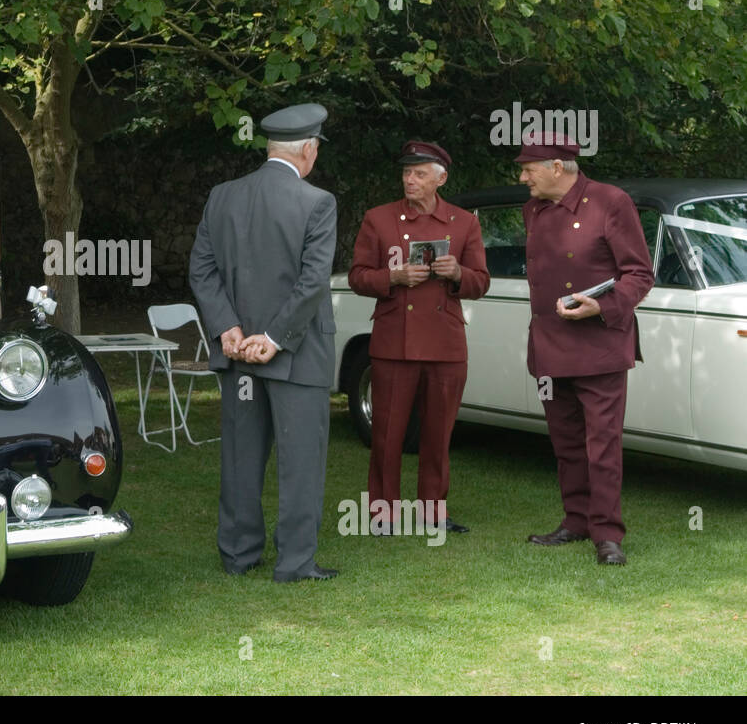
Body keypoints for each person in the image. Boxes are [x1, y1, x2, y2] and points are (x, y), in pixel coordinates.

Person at [188, 103, 339, 582]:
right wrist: (273, 338)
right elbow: (314, 283)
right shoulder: (318, 202)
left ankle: (238, 554)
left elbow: (202, 269)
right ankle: (295, 563)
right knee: (301, 464)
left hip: (237, 354)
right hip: (297, 354)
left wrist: (226, 327)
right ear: (309, 150)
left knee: (240, 455)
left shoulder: (222, 195)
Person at [517, 133, 654, 565]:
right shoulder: (533, 210)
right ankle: (575, 521)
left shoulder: (611, 202)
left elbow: (639, 273)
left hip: (599, 347)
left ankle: (607, 534)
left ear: (558, 168)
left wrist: (602, 305)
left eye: (529, 169)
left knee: (603, 444)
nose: (523, 178)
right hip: (549, 347)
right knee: (566, 442)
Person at [348, 141, 490, 535]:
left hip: (445, 344)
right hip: (395, 341)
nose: (410, 180)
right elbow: (357, 276)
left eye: (419, 173)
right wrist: (391, 278)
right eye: (406, 173)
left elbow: (481, 282)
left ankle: (433, 513)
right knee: (387, 433)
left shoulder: (464, 222)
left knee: (437, 434)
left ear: (441, 178)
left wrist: (458, 272)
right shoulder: (379, 219)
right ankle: (382, 514)